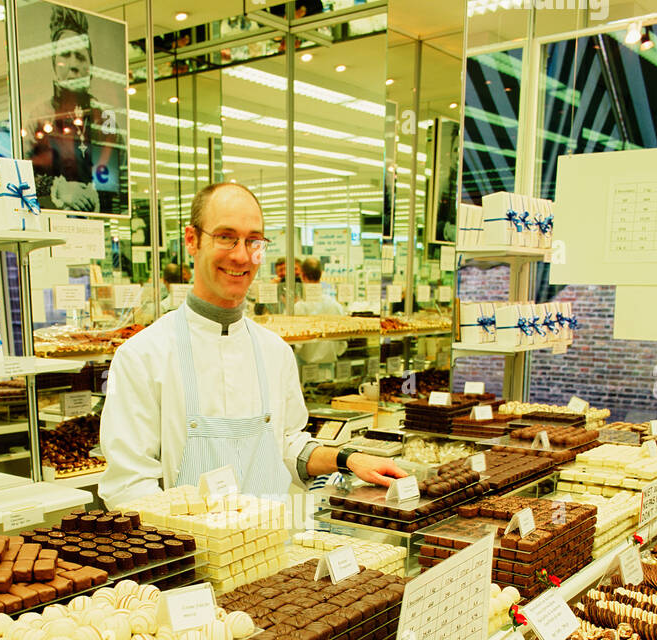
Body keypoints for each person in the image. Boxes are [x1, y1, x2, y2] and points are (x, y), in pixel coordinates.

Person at [98, 181, 406, 507]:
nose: (242, 255)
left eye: (254, 241)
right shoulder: (143, 356)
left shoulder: (275, 352)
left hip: (271, 547)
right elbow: (129, 486)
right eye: (226, 237)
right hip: (189, 551)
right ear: (192, 240)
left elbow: (286, 444)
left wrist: (349, 458)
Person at [31, 6, 121, 214]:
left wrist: (97, 198)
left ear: (90, 65)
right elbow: (19, 179)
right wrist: (59, 189)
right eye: (65, 55)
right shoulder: (38, 116)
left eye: (80, 57)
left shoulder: (105, 120)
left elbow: (118, 185)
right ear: (54, 63)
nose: (73, 65)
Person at [292, 256, 348, 383]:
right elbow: (342, 343)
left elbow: (296, 345)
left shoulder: (299, 307)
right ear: (321, 275)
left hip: (304, 371)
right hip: (330, 370)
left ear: (302, 275)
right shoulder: (335, 305)